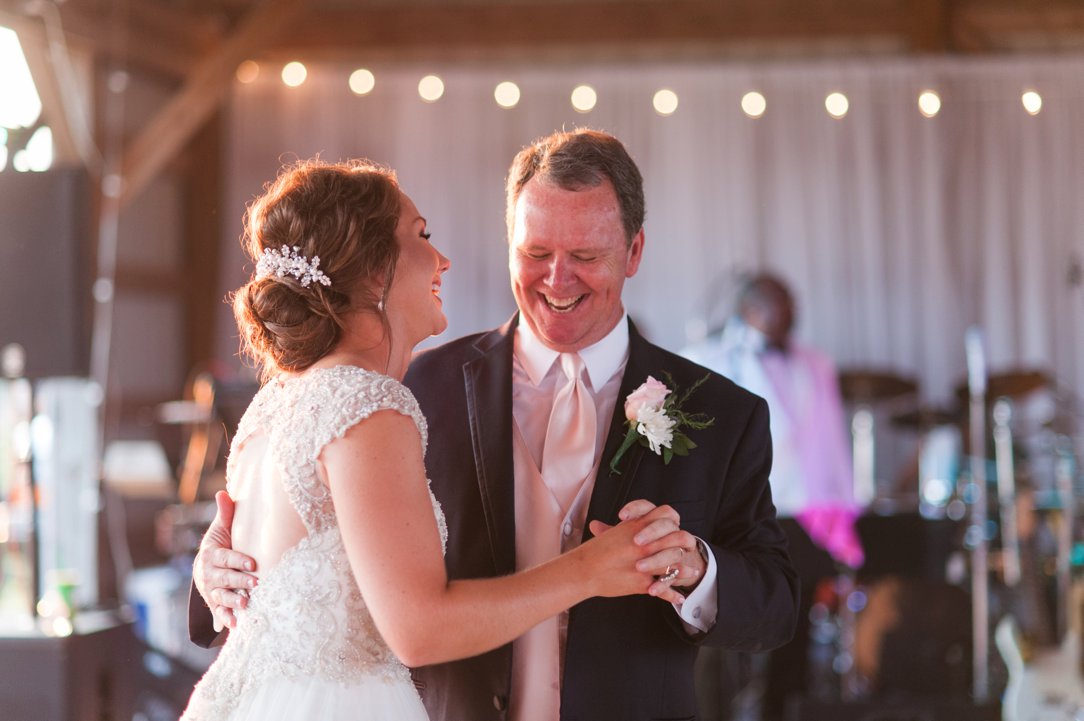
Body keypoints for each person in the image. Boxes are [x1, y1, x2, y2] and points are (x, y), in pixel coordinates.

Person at [192, 131, 799, 721]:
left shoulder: (724, 410)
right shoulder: (407, 388)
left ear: (634, 251)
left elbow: (775, 605)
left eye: (585, 257)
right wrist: (216, 570)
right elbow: (310, 552)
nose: (557, 280)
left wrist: (696, 568)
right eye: (536, 254)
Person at [681, 272, 862, 718]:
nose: (790, 315)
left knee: (793, 622)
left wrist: (847, 505)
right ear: (749, 310)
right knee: (721, 623)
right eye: (778, 305)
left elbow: (833, 440)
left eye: (792, 305)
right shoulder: (709, 358)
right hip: (736, 516)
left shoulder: (816, 364)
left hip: (803, 514)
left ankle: (781, 709)